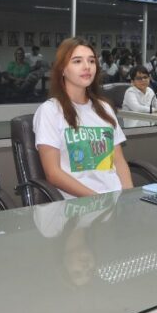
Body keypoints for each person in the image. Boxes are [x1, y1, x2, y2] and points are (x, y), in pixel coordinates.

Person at [33, 37, 133, 199]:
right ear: (62, 69)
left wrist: (128, 196)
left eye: (92, 61)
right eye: (77, 61)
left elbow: (119, 161)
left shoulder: (105, 109)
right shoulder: (50, 111)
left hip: (115, 203)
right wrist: (99, 200)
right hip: (79, 207)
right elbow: (53, 173)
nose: (87, 67)